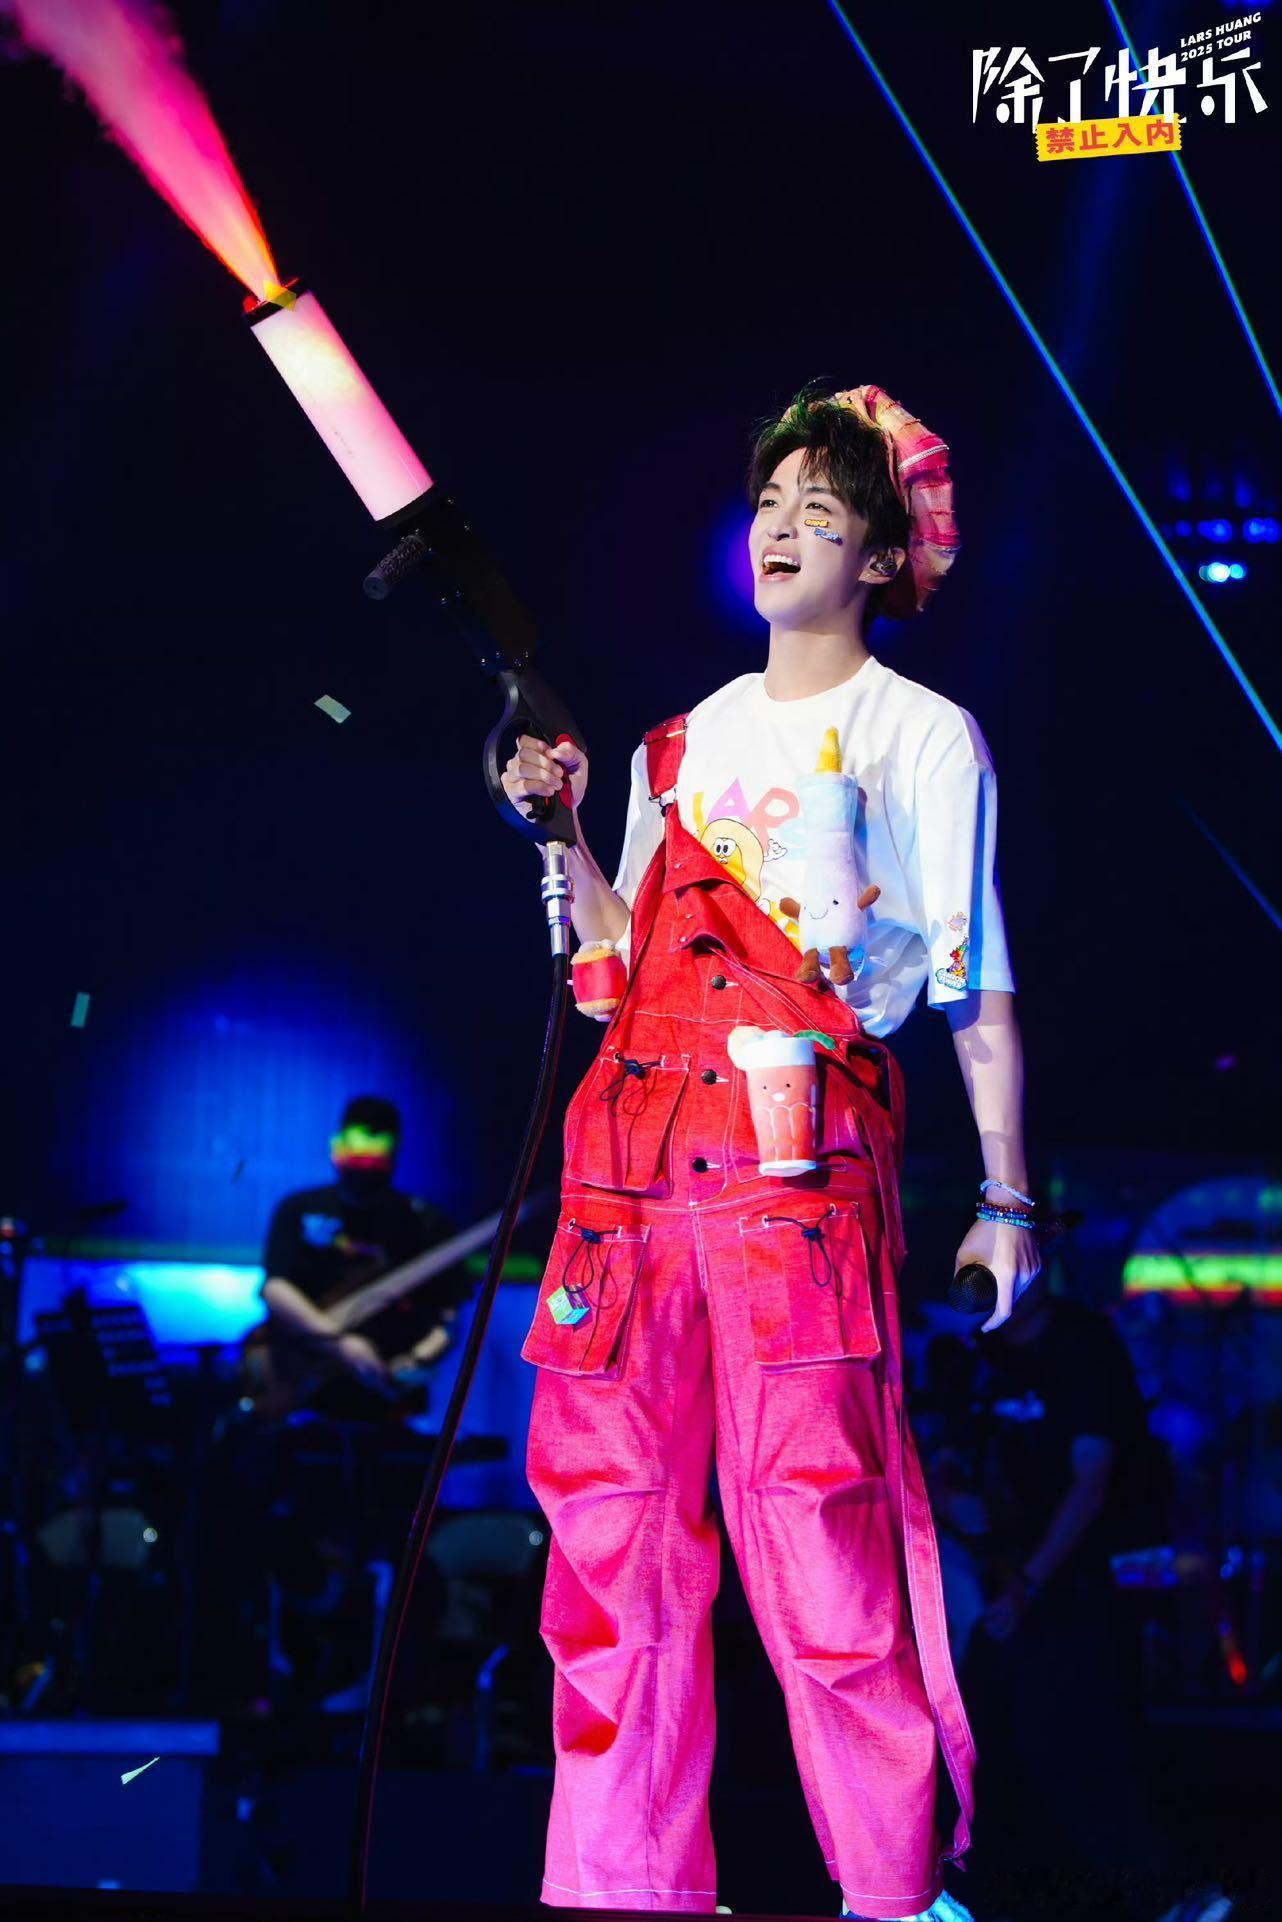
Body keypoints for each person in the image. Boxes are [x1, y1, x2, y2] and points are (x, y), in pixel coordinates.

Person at [501, 382, 1042, 1921]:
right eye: (767, 503)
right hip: (628, 1173)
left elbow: (973, 983)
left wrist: (1005, 1197)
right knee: (610, 1556)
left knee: (823, 1548)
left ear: (882, 553)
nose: (781, 529)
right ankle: (619, 1892)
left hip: (791, 1178)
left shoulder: (920, 735)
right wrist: (561, 828)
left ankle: (891, 1892)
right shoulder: (680, 743)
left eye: (820, 507)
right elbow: (614, 967)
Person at [259, 1094, 469, 1405]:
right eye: (355, 1157)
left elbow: (449, 1315)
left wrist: (417, 1359)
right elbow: (275, 1287)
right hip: (301, 1391)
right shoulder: (299, 1209)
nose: (363, 1171)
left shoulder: (426, 1221)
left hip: (390, 1397)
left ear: (393, 1156)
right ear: (338, 1149)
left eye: (374, 1160)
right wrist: (340, 1344)